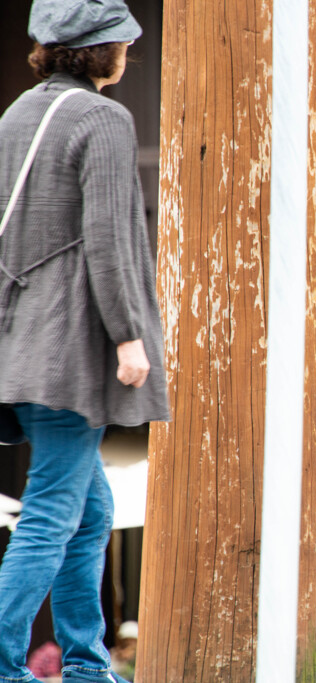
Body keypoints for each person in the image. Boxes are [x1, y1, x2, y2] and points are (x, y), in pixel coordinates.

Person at [0, 2, 169, 681]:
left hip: (20, 342)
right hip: (70, 349)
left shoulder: (15, 115)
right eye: (122, 41)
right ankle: (10, 665)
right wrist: (129, 336)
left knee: (90, 509)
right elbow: (110, 236)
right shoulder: (103, 118)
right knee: (50, 512)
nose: (129, 50)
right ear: (99, 51)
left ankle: (86, 662)